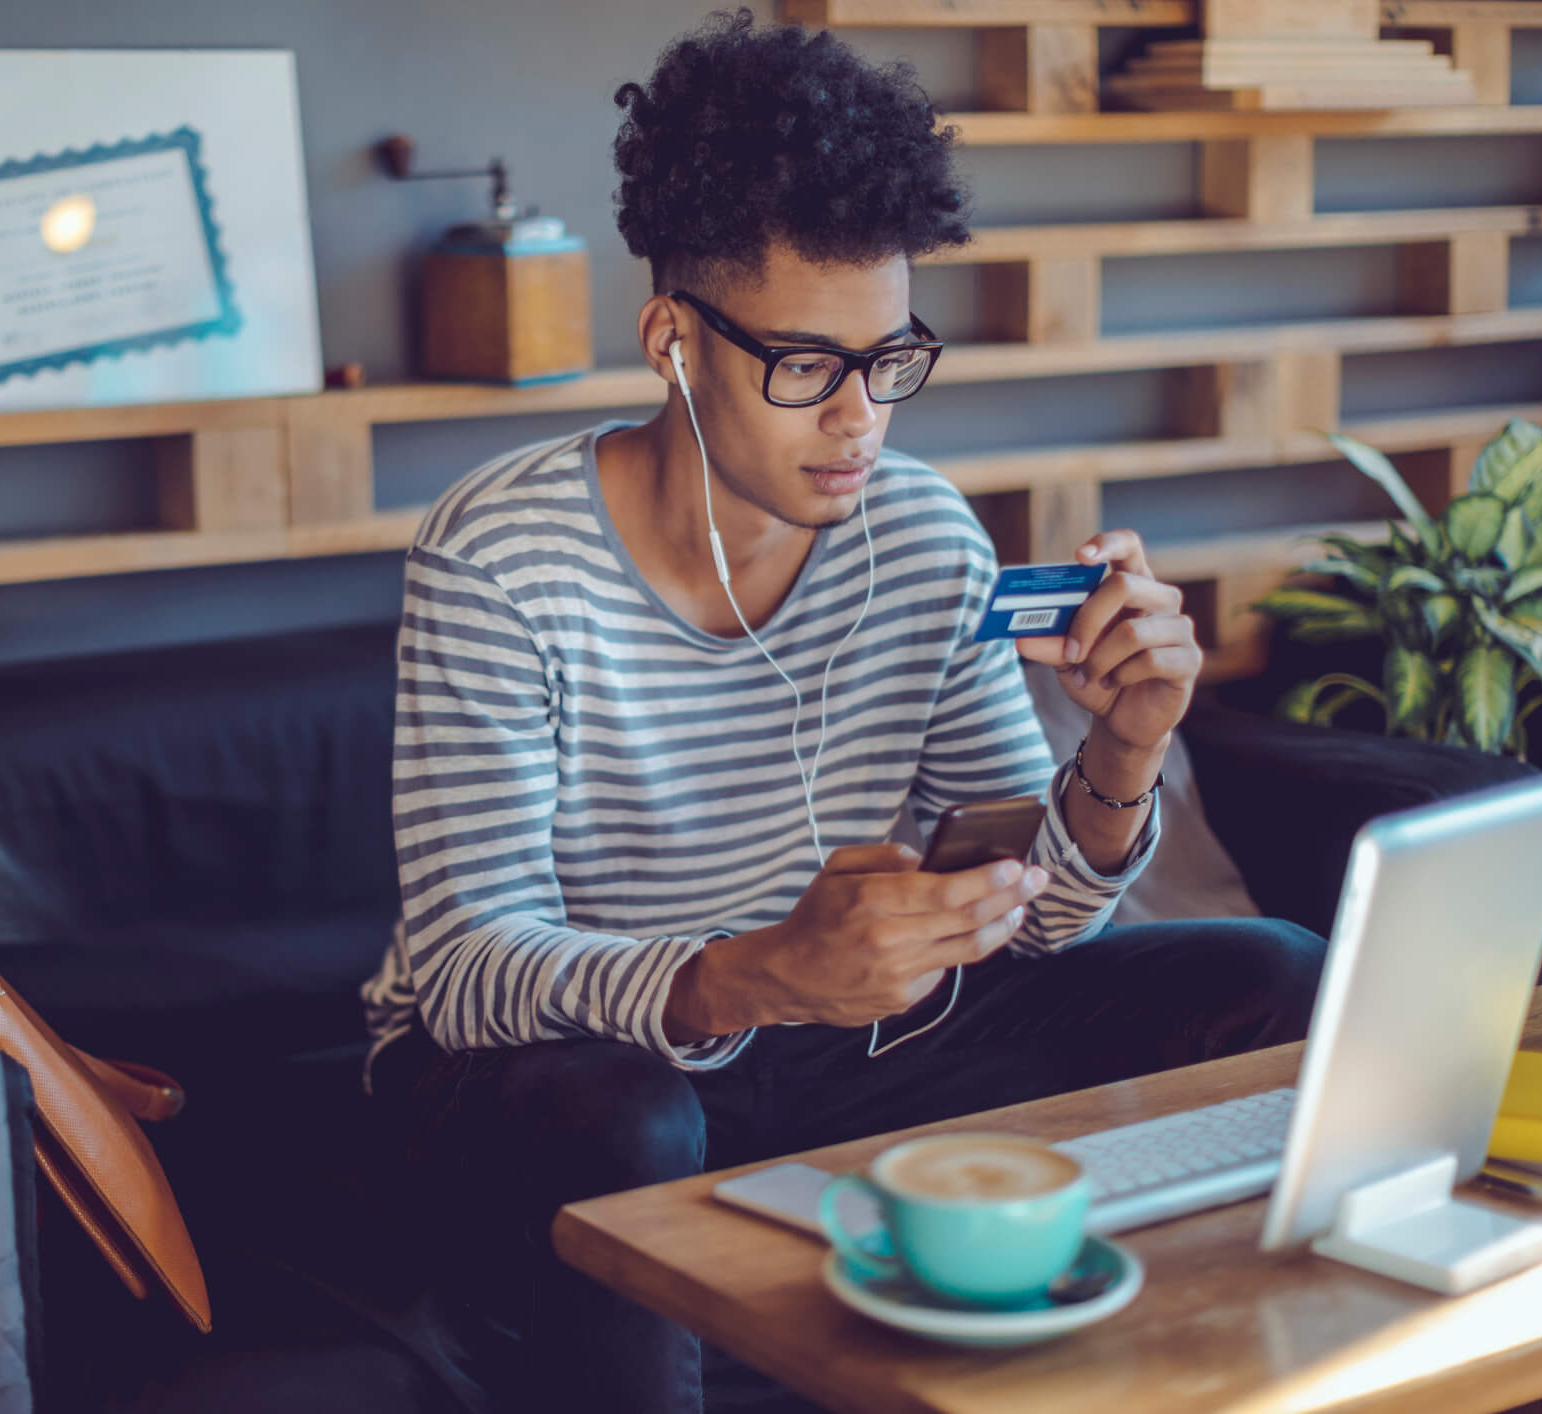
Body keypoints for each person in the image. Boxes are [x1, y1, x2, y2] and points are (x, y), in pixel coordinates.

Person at [359, 11, 1327, 1411]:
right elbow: (463, 971)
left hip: (835, 1045)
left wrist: (1120, 751)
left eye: (888, 361)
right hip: (560, 1075)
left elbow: (1031, 919)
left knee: (1273, 974)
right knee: (626, 1111)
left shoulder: (919, 535)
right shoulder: (498, 558)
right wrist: (754, 970)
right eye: (806, 367)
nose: (859, 421)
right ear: (672, 339)